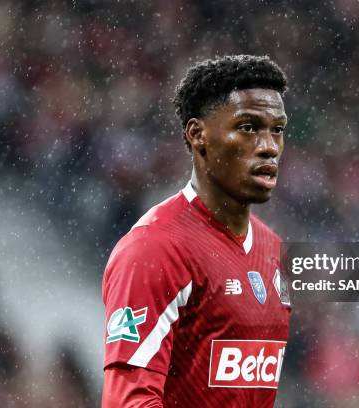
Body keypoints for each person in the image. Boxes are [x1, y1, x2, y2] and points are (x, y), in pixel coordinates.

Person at [102, 55, 291, 407]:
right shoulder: (154, 250)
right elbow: (127, 402)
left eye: (276, 129)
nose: (268, 146)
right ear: (198, 135)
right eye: (249, 127)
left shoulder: (272, 250)